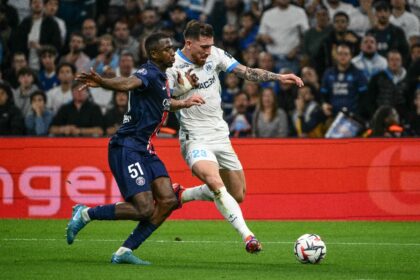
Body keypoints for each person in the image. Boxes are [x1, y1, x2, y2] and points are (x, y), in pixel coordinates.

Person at [66, 32, 205, 265]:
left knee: (169, 200)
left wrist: (184, 102)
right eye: (167, 49)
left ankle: (124, 251)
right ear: (154, 54)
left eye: (172, 48)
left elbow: (162, 103)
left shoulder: (161, 78)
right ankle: (85, 213)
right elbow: (128, 82)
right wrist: (103, 82)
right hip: (127, 146)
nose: (173, 52)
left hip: (146, 148)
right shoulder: (147, 72)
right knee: (143, 209)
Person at [166, 20, 303, 253]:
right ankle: (248, 236)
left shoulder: (215, 55)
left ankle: (183, 194)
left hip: (220, 135)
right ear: (188, 43)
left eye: (210, 46)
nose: (208, 52)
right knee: (216, 184)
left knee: (237, 194)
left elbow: (246, 72)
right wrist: (185, 98)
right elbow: (163, 103)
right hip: (195, 137)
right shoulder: (172, 67)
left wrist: (278, 77)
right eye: (203, 47)